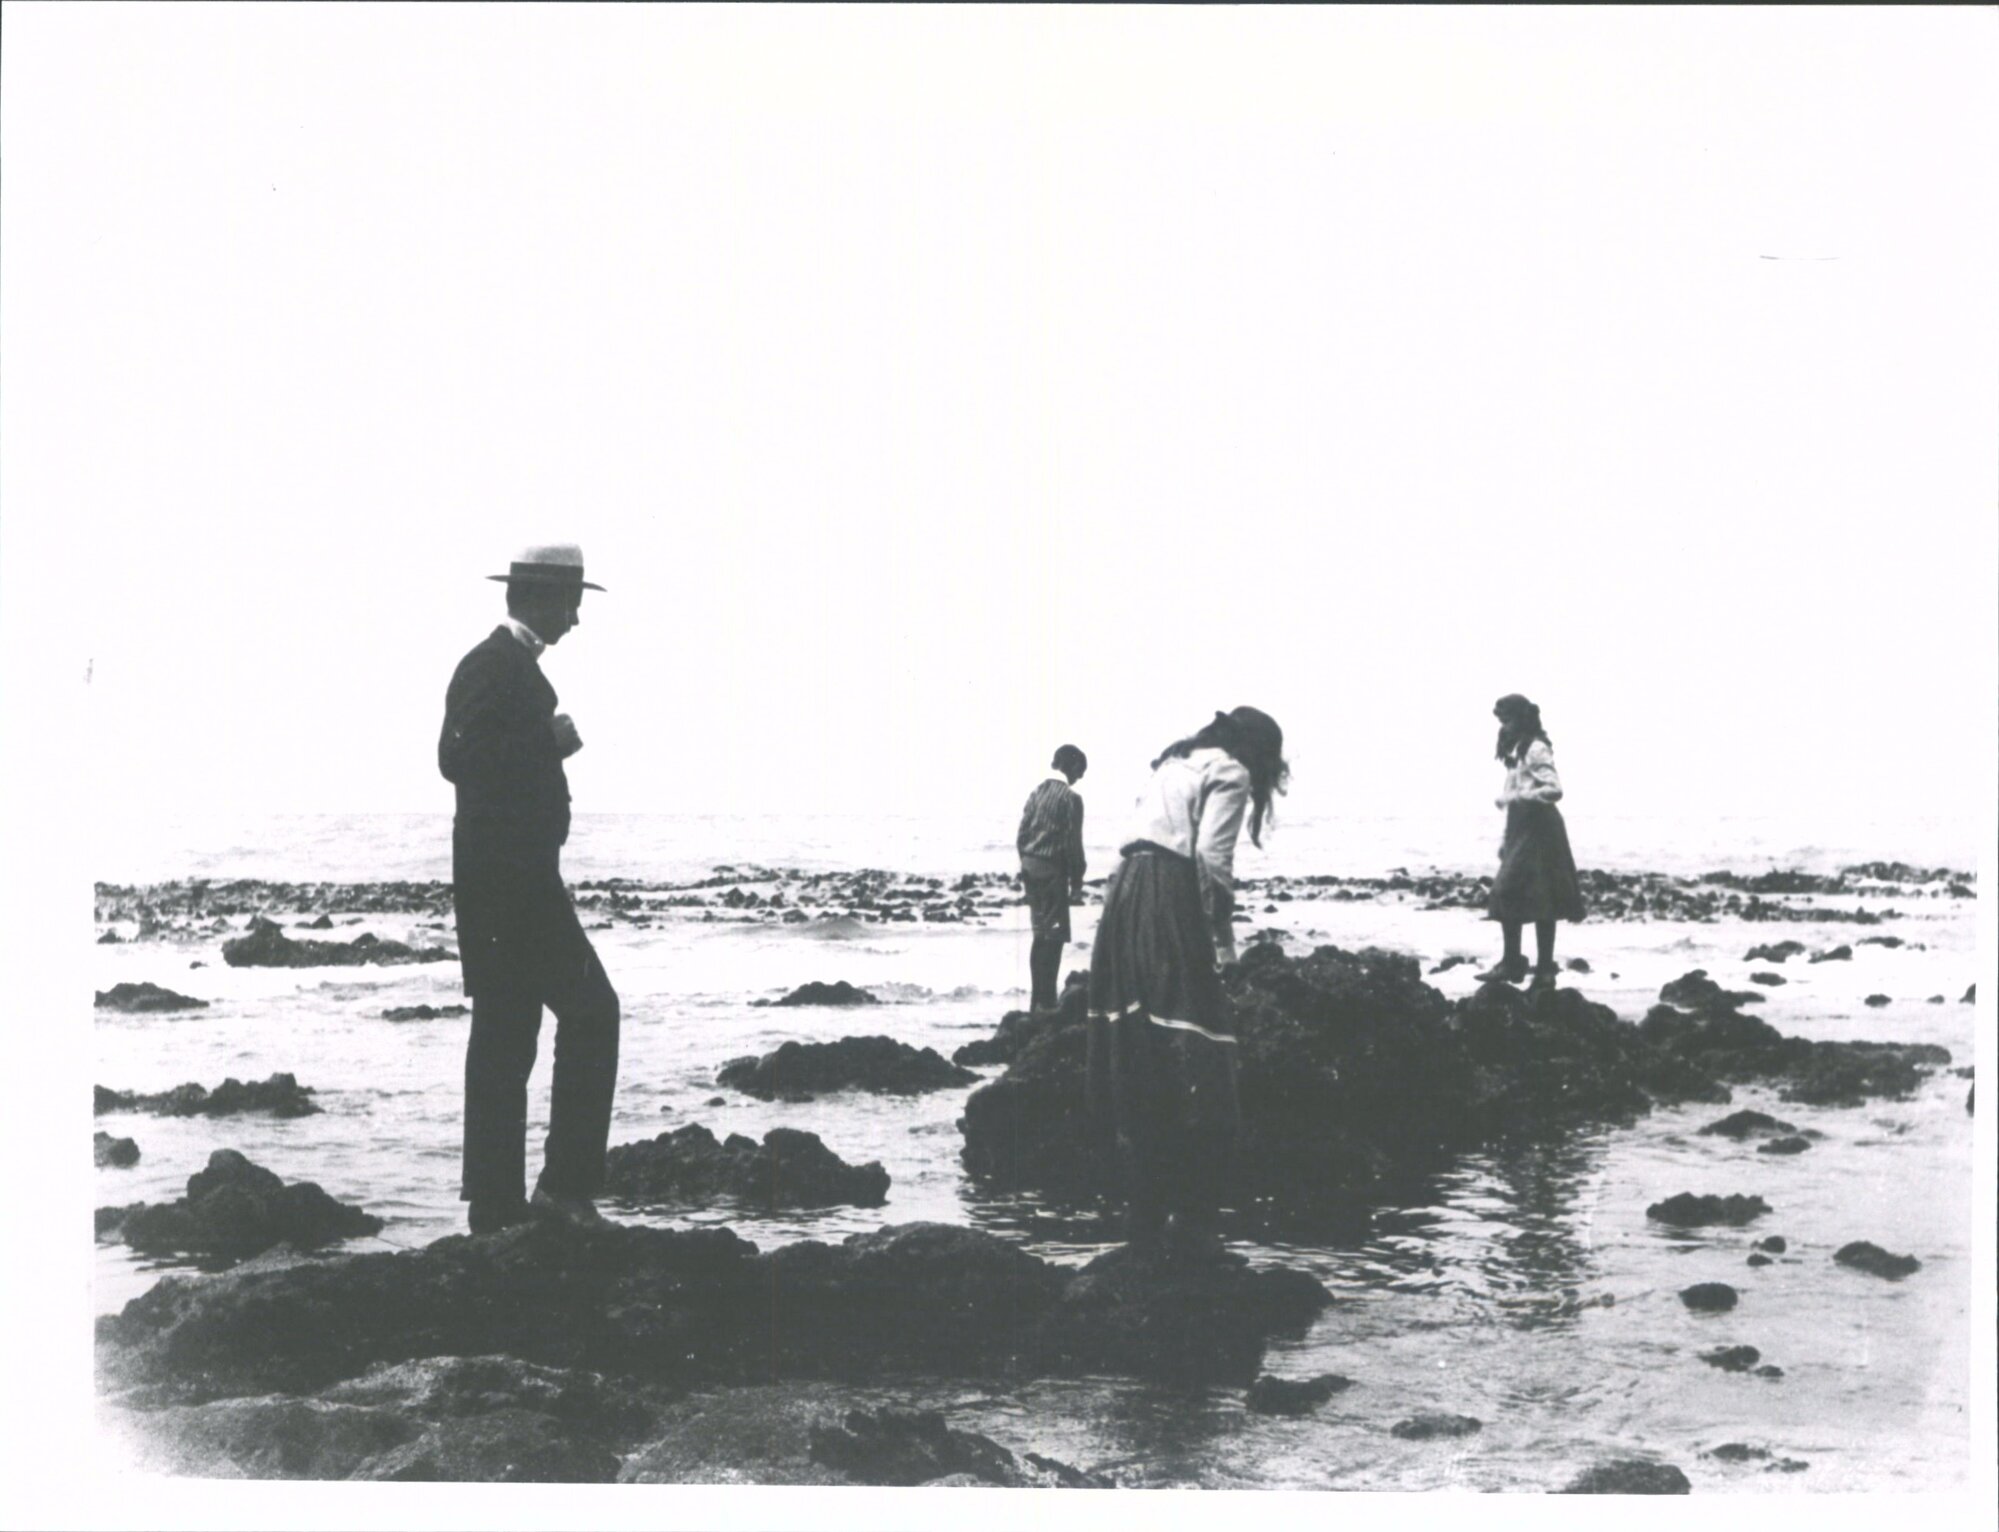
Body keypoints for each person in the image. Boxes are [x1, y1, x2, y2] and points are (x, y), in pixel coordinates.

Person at [438, 543, 621, 1233]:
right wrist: (548, 743)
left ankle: (495, 1209)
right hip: (511, 887)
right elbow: (456, 758)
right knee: (592, 1011)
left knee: (505, 1036)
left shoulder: (509, 665)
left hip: (506, 883)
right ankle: (562, 1191)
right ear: (539, 598)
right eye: (570, 603)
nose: (575, 619)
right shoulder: (492, 664)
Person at [1085, 707, 1287, 1251]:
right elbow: (1211, 859)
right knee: (1197, 1042)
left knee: (1141, 1046)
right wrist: (1222, 941)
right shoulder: (1231, 772)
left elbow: (1124, 851)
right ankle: (1194, 1214)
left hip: (1126, 895)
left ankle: (1146, 1212)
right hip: (1169, 894)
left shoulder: (1172, 765)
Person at [1476, 693, 1585, 990]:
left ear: (1521, 719)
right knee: (1521, 894)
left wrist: (1519, 797)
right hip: (1521, 828)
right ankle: (1516, 964)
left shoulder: (1536, 749)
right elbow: (1514, 799)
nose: (1504, 726)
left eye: (1508, 720)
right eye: (1501, 721)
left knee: (1526, 894)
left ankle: (1541, 969)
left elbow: (1554, 789)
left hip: (1542, 827)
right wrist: (1505, 839)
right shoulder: (1515, 750)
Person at [1016, 744, 1088, 1012]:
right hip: (1052, 870)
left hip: (1031, 866)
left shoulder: (1037, 792)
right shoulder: (1071, 799)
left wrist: (1025, 862)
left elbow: (1021, 834)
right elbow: (1073, 844)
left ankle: (1037, 1000)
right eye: (1080, 771)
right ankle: (1047, 1002)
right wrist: (1077, 882)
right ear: (1071, 767)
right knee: (1055, 938)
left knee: (1040, 935)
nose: (1080, 777)